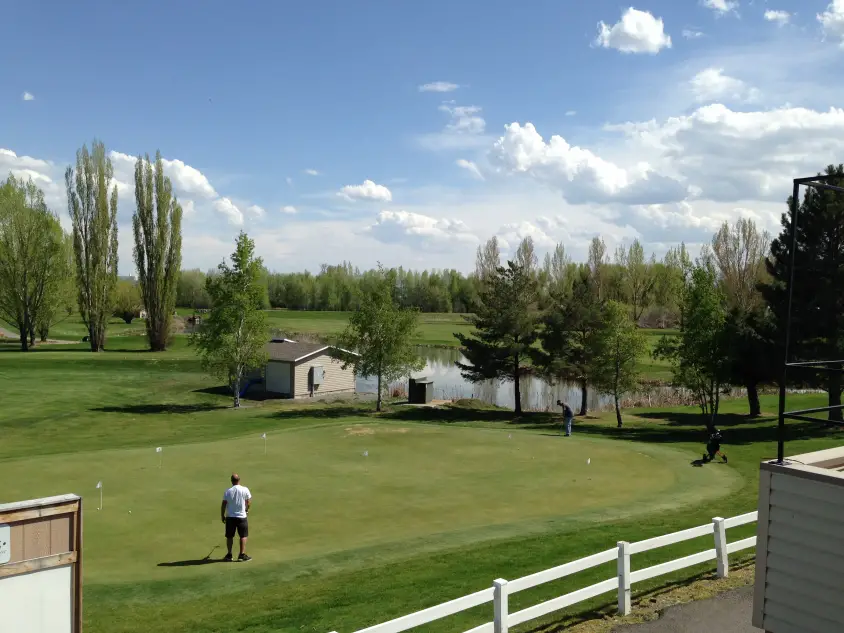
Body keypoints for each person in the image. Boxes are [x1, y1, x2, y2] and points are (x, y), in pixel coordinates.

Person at [221, 473, 252, 562]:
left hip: (230, 517)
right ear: (239, 480)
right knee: (243, 536)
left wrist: (222, 515)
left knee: (229, 536)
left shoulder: (228, 491)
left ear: (231, 481)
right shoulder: (245, 489)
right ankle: (241, 555)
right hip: (242, 516)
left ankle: (229, 555)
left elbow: (224, 504)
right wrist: (246, 509)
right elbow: (248, 501)